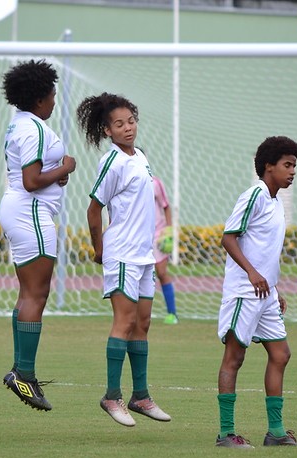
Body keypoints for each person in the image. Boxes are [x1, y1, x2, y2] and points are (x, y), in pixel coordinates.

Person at [77, 92, 171, 427]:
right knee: (125, 321)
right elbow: (93, 209)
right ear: (107, 131)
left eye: (131, 121)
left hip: (144, 256)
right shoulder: (112, 161)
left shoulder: (140, 158)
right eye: (119, 124)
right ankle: (111, 396)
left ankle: (141, 395)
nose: (128, 127)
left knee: (143, 323)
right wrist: (99, 248)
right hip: (121, 254)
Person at [215, 135, 297, 449]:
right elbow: (228, 238)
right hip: (243, 291)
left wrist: (274, 287)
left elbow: (265, 250)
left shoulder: (276, 201)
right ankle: (226, 433)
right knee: (234, 358)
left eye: (295, 165)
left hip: (265, 294)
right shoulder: (253, 195)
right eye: (287, 164)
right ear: (269, 166)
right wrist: (252, 273)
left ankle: (276, 433)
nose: (293, 171)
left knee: (281, 354)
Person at [0, 59, 76, 412]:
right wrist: (66, 167)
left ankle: (20, 370)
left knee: (27, 293)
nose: (55, 99)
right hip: (31, 212)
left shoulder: (20, 124)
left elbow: (32, 174)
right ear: (41, 97)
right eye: (53, 93)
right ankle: (23, 375)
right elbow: (31, 181)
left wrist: (55, 174)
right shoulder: (35, 130)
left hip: (20, 209)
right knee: (37, 293)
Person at [152, 175, 179, 324]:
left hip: (158, 234)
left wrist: (168, 231)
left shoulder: (155, 183)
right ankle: (136, 312)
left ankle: (172, 313)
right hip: (139, 235)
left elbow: (166, 206)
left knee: (161, 273)